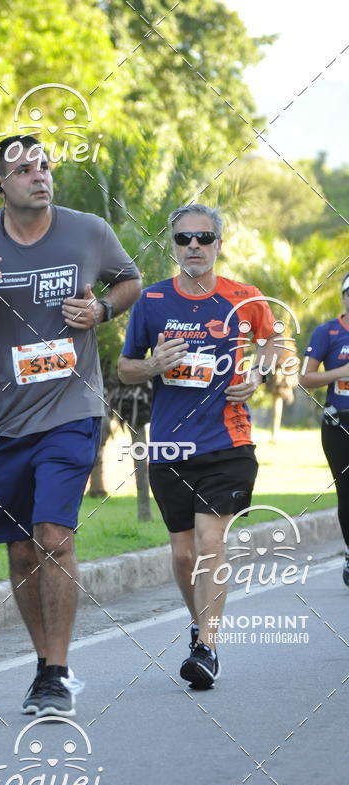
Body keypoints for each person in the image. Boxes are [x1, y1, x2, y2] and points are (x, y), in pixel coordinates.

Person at [0, 135, 141, 716]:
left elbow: (129, 280)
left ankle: (55, 671)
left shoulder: (87, 230)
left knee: (53, 536)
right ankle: (43, 661)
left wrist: (101, 309)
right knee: (22, 550)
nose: (38, 175)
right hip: (4, 419)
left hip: (73, 410)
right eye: (23, 169)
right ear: (0, 183)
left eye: (44, 166)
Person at [118, 203, 277, 689]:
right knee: (185, 555)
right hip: (170, 448)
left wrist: (259, 372)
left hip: (228, 442)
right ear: (172, 245)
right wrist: (153, 365)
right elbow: (126, 367)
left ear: (218, 243)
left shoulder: (245, 298)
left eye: (204, 238)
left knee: (211, 545)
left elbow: (272, 342)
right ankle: (199, 626)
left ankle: (207, 647)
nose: (194, 247)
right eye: (185, 239)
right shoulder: (151, 301)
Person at [300, 272, 349, 585]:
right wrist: (341, 372)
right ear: (343, 297)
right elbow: (305, 378)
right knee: (347, 492)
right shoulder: (327, 332)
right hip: (339, 422)